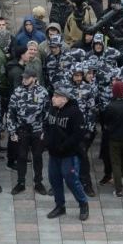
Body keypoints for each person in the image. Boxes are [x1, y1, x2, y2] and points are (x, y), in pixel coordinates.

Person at [44, 87, 89, 221]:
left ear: (64, 99)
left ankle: (83, 204)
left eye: (56, 96)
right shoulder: (52, 109)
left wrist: (64, 147)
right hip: (53, 154)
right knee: (54, 179)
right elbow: (47, 125)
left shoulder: (75, 113)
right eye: (53, 96)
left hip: (68, 154)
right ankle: (60, 206)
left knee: (71, 180)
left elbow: (78, 135)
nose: (53, 98)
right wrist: (47, 140)